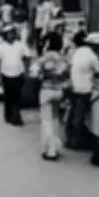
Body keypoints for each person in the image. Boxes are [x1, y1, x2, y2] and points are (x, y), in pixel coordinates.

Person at [67, 31, 99, 150]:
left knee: (73, 114)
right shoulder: (92, 56)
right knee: (80, 116)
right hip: (84, 88)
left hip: (74, 86)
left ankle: (70, 137)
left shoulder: (79, 51)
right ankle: (76, 141)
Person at [36, 33, 70, 161]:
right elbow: (66, 75)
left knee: (47, 121)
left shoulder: (45, 58)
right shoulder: (63, 59)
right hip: (59, 91)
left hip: (46, 90)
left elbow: (35, 72)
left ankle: (50, 150)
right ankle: (56, 146)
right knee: (56, 119)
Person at [0, 25, 31, 126]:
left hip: (18, 73)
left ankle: (16, 117)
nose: (11, 35)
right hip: (6, 74)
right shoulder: (2, 46)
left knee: (17, 96)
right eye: (8, 34)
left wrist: (26, 70)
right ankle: (8, 115)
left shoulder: (20, 45)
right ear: (5, 36)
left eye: (12, 33)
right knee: (8, 96)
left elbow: (27, 56)